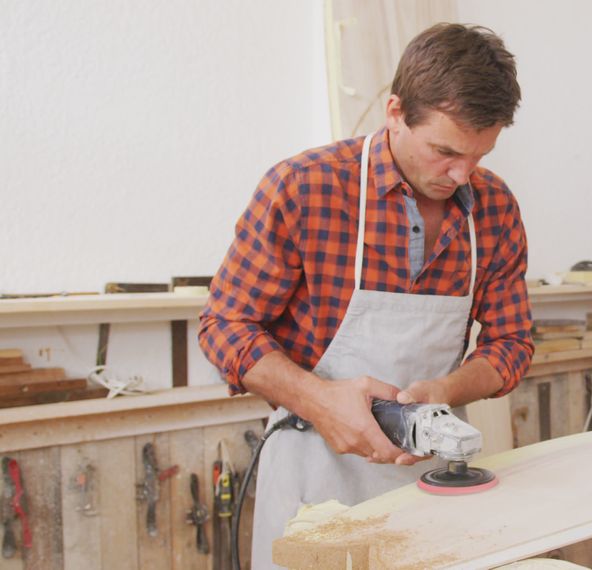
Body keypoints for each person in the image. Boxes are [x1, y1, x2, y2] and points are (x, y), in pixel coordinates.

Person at [198, 23, 532, 568]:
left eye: (479, 154)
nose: (461, 173)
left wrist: (446, 389)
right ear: (396, 112)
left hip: (434, 477)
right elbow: (224, 328)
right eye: (445, 151)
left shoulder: (493, 207)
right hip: (316, 481)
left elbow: (512, 343)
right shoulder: (304, 188)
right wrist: (318, 400)